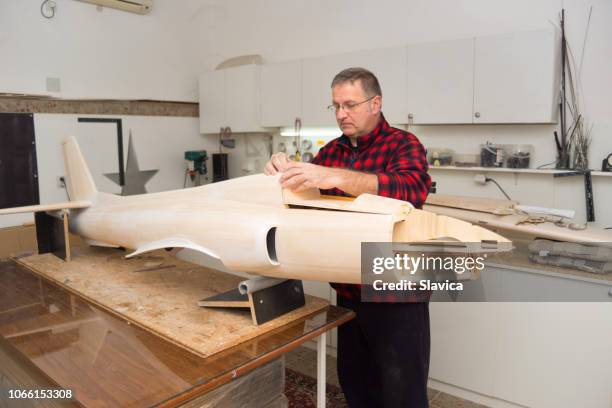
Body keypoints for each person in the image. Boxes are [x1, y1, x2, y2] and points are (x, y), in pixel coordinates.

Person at [264, 67, 432, 408]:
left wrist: (334, 177)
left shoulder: (404, 144)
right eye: (336, 106)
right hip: (349, 287)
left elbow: (411, 189)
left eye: (350, 104)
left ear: (376, 103)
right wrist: (283, 172)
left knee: (402, 391)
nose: (342, 114)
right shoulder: (331, 152)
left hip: (395, 289)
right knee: (356, 384)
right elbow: (306, 195)